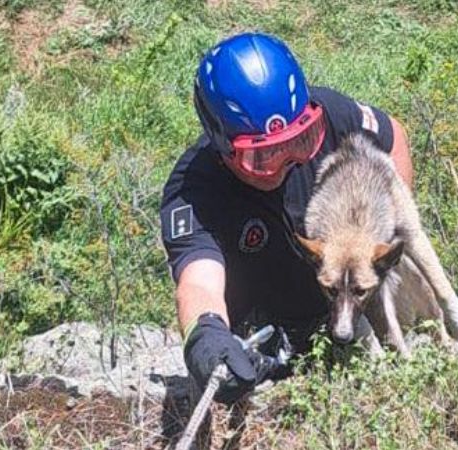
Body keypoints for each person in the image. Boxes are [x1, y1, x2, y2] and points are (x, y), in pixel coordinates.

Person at [159, 32, 414, 403]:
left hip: (355, 296)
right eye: (261, 158)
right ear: (221, 142)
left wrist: (382, 248)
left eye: (299, 142)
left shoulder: (330, 113)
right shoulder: (194, 192)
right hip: (274, 333)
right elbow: (199, 283)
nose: (284, 165)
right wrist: (207, 338)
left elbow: (394, 137)